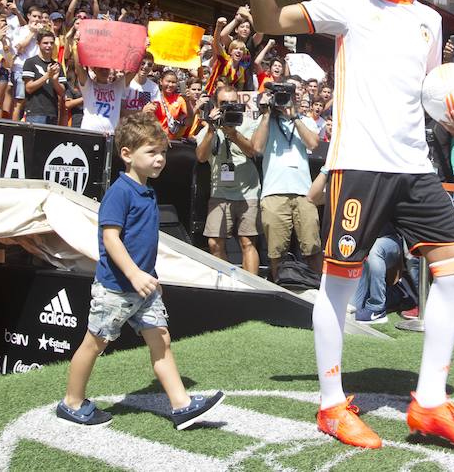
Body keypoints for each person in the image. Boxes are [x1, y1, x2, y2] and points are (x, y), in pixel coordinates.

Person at [250, 0, 454, 451]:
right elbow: (268, 20)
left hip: (415, 168)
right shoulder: (350, 3)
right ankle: (333, 406)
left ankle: (429, 403)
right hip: (358, 166)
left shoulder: (431, 21)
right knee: (339, 285)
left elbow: (431, 97)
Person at [58, 113, 224, 427]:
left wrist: (148, 276)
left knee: (161, 340)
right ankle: (72, 402)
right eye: (152, 152)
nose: (160, 158)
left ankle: (182, 405)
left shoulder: (147, 192)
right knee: (94, 343)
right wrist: (134, 274)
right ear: (127, 155)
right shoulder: (120, 193)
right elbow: (111, 239)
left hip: (144, 289)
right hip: (116, 289)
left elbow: (142, 242)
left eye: (162, 152)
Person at [251, 84, 322, 281]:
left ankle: (317, 290)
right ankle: (280, 288)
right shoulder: (266, 121)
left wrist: (295, 117)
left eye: (287, 96)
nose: (283, 100)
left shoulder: (305, 120)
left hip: (303, 193)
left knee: (312, 247)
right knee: (276, 251)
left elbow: (314, 144)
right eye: (280, 97)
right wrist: (266, 113)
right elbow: (256, 147)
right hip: (274, 192)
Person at [195, 85, 261, 275]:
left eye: (233, 103)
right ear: (216, 104)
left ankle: (252, 289)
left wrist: (233, 132)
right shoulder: (209, 126)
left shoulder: (248, 123)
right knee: (214, 242)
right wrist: (211, 129)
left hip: (248, 192)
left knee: (248, 241)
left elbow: (252, 151)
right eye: (224, 103)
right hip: (220, 193)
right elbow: (201, 156)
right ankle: (227, 284)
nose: (229, 107)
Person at [21, 30, 66, 124]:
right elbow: (29, 88)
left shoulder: (57, 65)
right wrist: (47, 76)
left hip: (52, 113)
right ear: (38, 43)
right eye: (45, 43)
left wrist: (54, 81)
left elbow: (62, 92)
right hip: (35, 112)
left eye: (51, 43)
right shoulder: (30, 62)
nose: (49, 45)